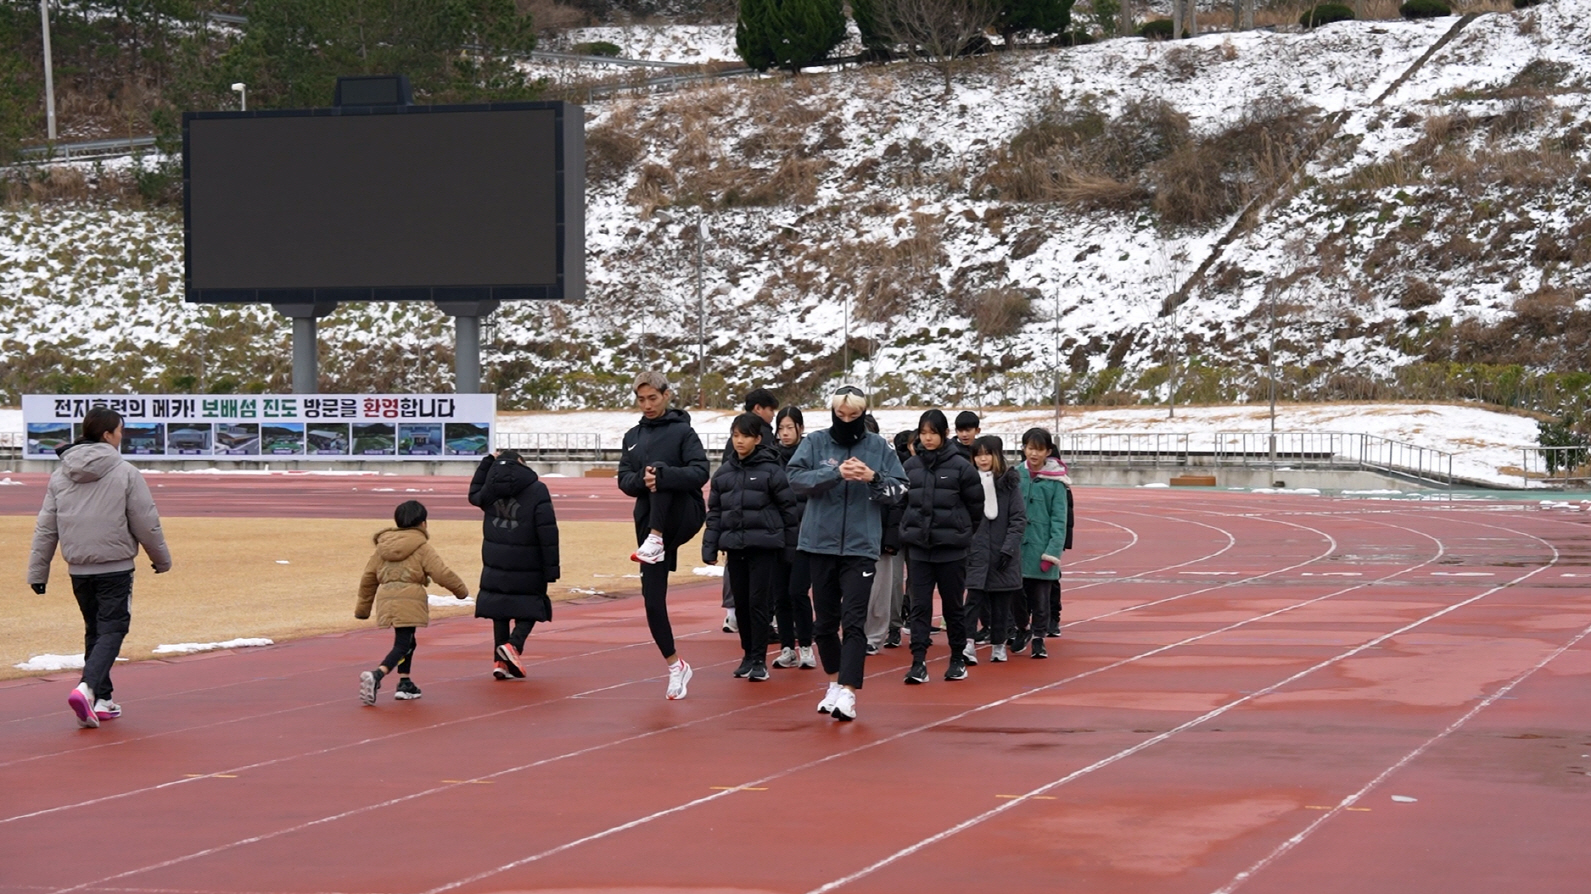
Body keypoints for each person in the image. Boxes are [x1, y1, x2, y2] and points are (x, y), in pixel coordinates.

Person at [28, 406, 172, 729]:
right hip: (115, 568)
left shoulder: (60, 475)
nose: (122, 436)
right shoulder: (126, 473)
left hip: (78, 570)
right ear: (107, 435)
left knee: (96, 630)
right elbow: (146, 523)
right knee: (113, 629)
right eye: (120, 430)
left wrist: (38, 573)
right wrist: (161, 560)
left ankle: (102, 699)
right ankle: (86, 687)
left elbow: (46, 528)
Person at [788, 385, 907, 721]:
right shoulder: (815, 442)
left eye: (854, 416)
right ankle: (834, 683)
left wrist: (873, 478)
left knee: (854, 621)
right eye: (841, 415)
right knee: (824, 623)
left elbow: (899, 489)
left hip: (860, 547)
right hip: (819, 544)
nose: (846, 421)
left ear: (863, 414)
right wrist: (833, 473)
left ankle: (849, 692)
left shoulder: (878, 447)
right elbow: (795, 480)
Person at [617, 371, 710, 699]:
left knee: (659, 468)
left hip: (686, 514)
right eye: (641, 400)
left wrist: (662, 475)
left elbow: (701, 472)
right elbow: (624, 480)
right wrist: (645, 480)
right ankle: (676, 666)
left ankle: (656, 538)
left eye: (652, 398)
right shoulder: (632, 436)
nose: (647, 405)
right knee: (652, 601)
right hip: (648, 524)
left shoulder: (684, 431)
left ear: (667, 395)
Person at [703, 413, 800, 682]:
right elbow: (715, 513)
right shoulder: (724, 474)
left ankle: (759, 659)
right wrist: (710, 548)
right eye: (735, 435)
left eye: (745, 436)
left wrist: (789, 550)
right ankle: (747, 654)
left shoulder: (772, 471)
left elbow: (788, 511)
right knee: (742, 604)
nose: (739, 441)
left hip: (764, 548)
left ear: (757, 439)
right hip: (735, 549)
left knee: (759, 603)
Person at [898, 409, 984, 683]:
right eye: (923, 433)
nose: (928, 438)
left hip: (951, 551)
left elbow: (976, 508)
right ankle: (918, 661)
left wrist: (961, 532)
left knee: (952, 606)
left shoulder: (961, 467)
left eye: (933, 433)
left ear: (944, 434)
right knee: (920, 607)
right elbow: (901, 504)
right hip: (920, 551)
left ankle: (957, 658)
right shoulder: (911, 467)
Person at [355, 500, 470, 704]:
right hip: (409, 599)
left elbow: (368, 579)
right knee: (403, 644)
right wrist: (461, 591)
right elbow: (441, 573)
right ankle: (377, 675)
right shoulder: (422, 547)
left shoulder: (382, 547)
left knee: (409, 641)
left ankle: (405, 682)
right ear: (423, 524)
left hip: (386, 599)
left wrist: (363, 609)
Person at [468, 449, 560, 680]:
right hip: (528, 559)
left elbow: (474, 494)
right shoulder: (537, 489)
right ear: (521, 463)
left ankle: (501, 663)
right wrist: (552, 567)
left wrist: (488, 461)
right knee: (532, 604)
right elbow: (547, 530)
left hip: (495, 557)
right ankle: (513, 646)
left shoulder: (490, 488)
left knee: (499, 610)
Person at [964, 436, 1027, 663]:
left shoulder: (1009, 485)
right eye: (978, 454)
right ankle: (967, 642)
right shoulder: (968, 484)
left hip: (1002, 555)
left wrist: (1008, 550)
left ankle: (999, 644)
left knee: (1001, 603)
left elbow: (1018, 519)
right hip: (977, 553)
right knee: (973, 600)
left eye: (987, 454)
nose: (982, 459)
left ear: (996, 456)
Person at [722, 388, 780, 633]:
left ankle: (733, 615)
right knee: (759, 583)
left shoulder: (731, 445)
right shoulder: (762, 435)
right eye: (771, 411)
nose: (773, 417)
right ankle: (760, 627)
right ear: (759, 408)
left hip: (734, 520)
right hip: (758, 523)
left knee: (735, 569)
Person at [1014, 427, 1070, 659]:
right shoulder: (1015, 475)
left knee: (1041, 600)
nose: (1034, 454)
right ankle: (1021, 629)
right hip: (1016, 549)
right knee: (1016, 596)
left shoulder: (1056, 482)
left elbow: (1060, 520)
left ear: (1048, 451)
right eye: (1030, 448)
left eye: (1039, 449)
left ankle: (1038, 637)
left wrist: (1052, 552)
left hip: (1042, 550)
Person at [770, 406, 817, 670]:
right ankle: (787, 647)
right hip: (777, 537)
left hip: (803, 536)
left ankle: (807, 646)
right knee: (780, 595)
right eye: (781, 428)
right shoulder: (771, 458)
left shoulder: (810, 455)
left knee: (798, 592)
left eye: (790, 427)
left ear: (800, 428)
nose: (785, 433)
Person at [863, 414, 906, 655]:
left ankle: (876, 634)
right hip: (854, 535)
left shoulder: (887, 458)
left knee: (881, 589)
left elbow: (897, 500)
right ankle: (856, 631)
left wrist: (891, 537)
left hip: (881, 535)